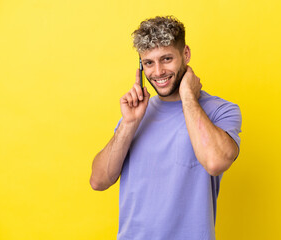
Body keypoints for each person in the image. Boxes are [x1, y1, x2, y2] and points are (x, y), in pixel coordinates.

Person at [90, 16, 242, 240]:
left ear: (186, 54)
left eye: (166, 59)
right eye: (149, 63)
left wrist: (188, 98)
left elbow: (215, 162)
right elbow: (98, 181)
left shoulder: (221, 111)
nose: (158, 71)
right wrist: (129, 124)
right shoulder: (136, 115)